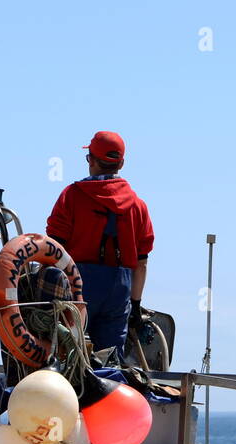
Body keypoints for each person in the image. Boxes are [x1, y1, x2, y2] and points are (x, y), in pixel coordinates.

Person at [47, 131, 154, 359]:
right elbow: (141, 264)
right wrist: (135, 306)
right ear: (121, 163)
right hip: (119, 291)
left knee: (69, 356)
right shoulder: (138, 206)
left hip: (76, 289)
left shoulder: (71, 197)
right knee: (111, 361)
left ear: (91, 160)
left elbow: (54, 250)